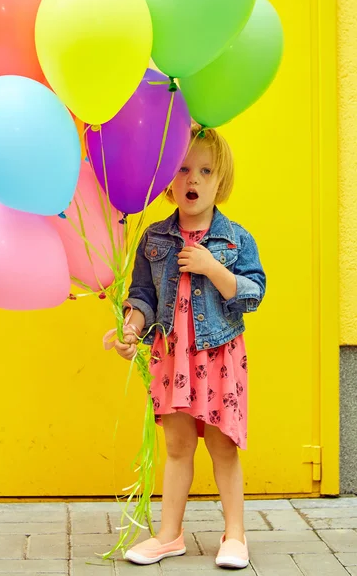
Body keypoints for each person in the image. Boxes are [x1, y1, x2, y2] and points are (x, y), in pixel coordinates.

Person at [114, 125, 266, 569]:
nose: (192, 180)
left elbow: (252, 292)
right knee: (178, 448)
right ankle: (169, 534)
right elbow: (143, 296)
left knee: (223, 448)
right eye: (182, 170)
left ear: (221, 181)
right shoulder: (155, 239)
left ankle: (234, 534)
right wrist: (131, 326)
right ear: (167, 178)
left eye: (204, 170)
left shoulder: (235, 239)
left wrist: (212, 267)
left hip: (218, 359)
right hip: (172, 357)